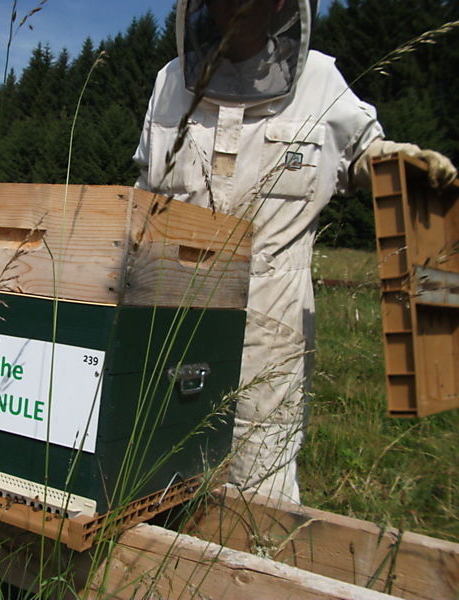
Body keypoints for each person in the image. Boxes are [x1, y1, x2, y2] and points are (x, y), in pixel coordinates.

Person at [134, 0, 456, 503]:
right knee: (156, 469)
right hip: (171, 315)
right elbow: (145, 192)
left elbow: (361, 158)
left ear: (281, 4)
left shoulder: (321, 80)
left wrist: (395, 162)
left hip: (270, 323)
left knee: (259, 482)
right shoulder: (170, 81)